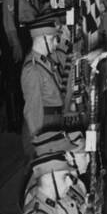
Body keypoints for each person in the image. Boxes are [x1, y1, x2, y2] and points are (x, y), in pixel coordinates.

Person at [0, 0, 50, 130]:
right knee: (15, 81)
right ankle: (15, 122)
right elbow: (8, 23)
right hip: (18, 36)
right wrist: (15, 45)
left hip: (30, 34)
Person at [19, 8, 66, 159]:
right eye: (53, 40)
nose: (55, 44)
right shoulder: (32, 69)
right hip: (42, 127)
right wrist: (40, 144)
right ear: (43, 38)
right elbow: (33, 111)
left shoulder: (45, 61)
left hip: (52, 122)